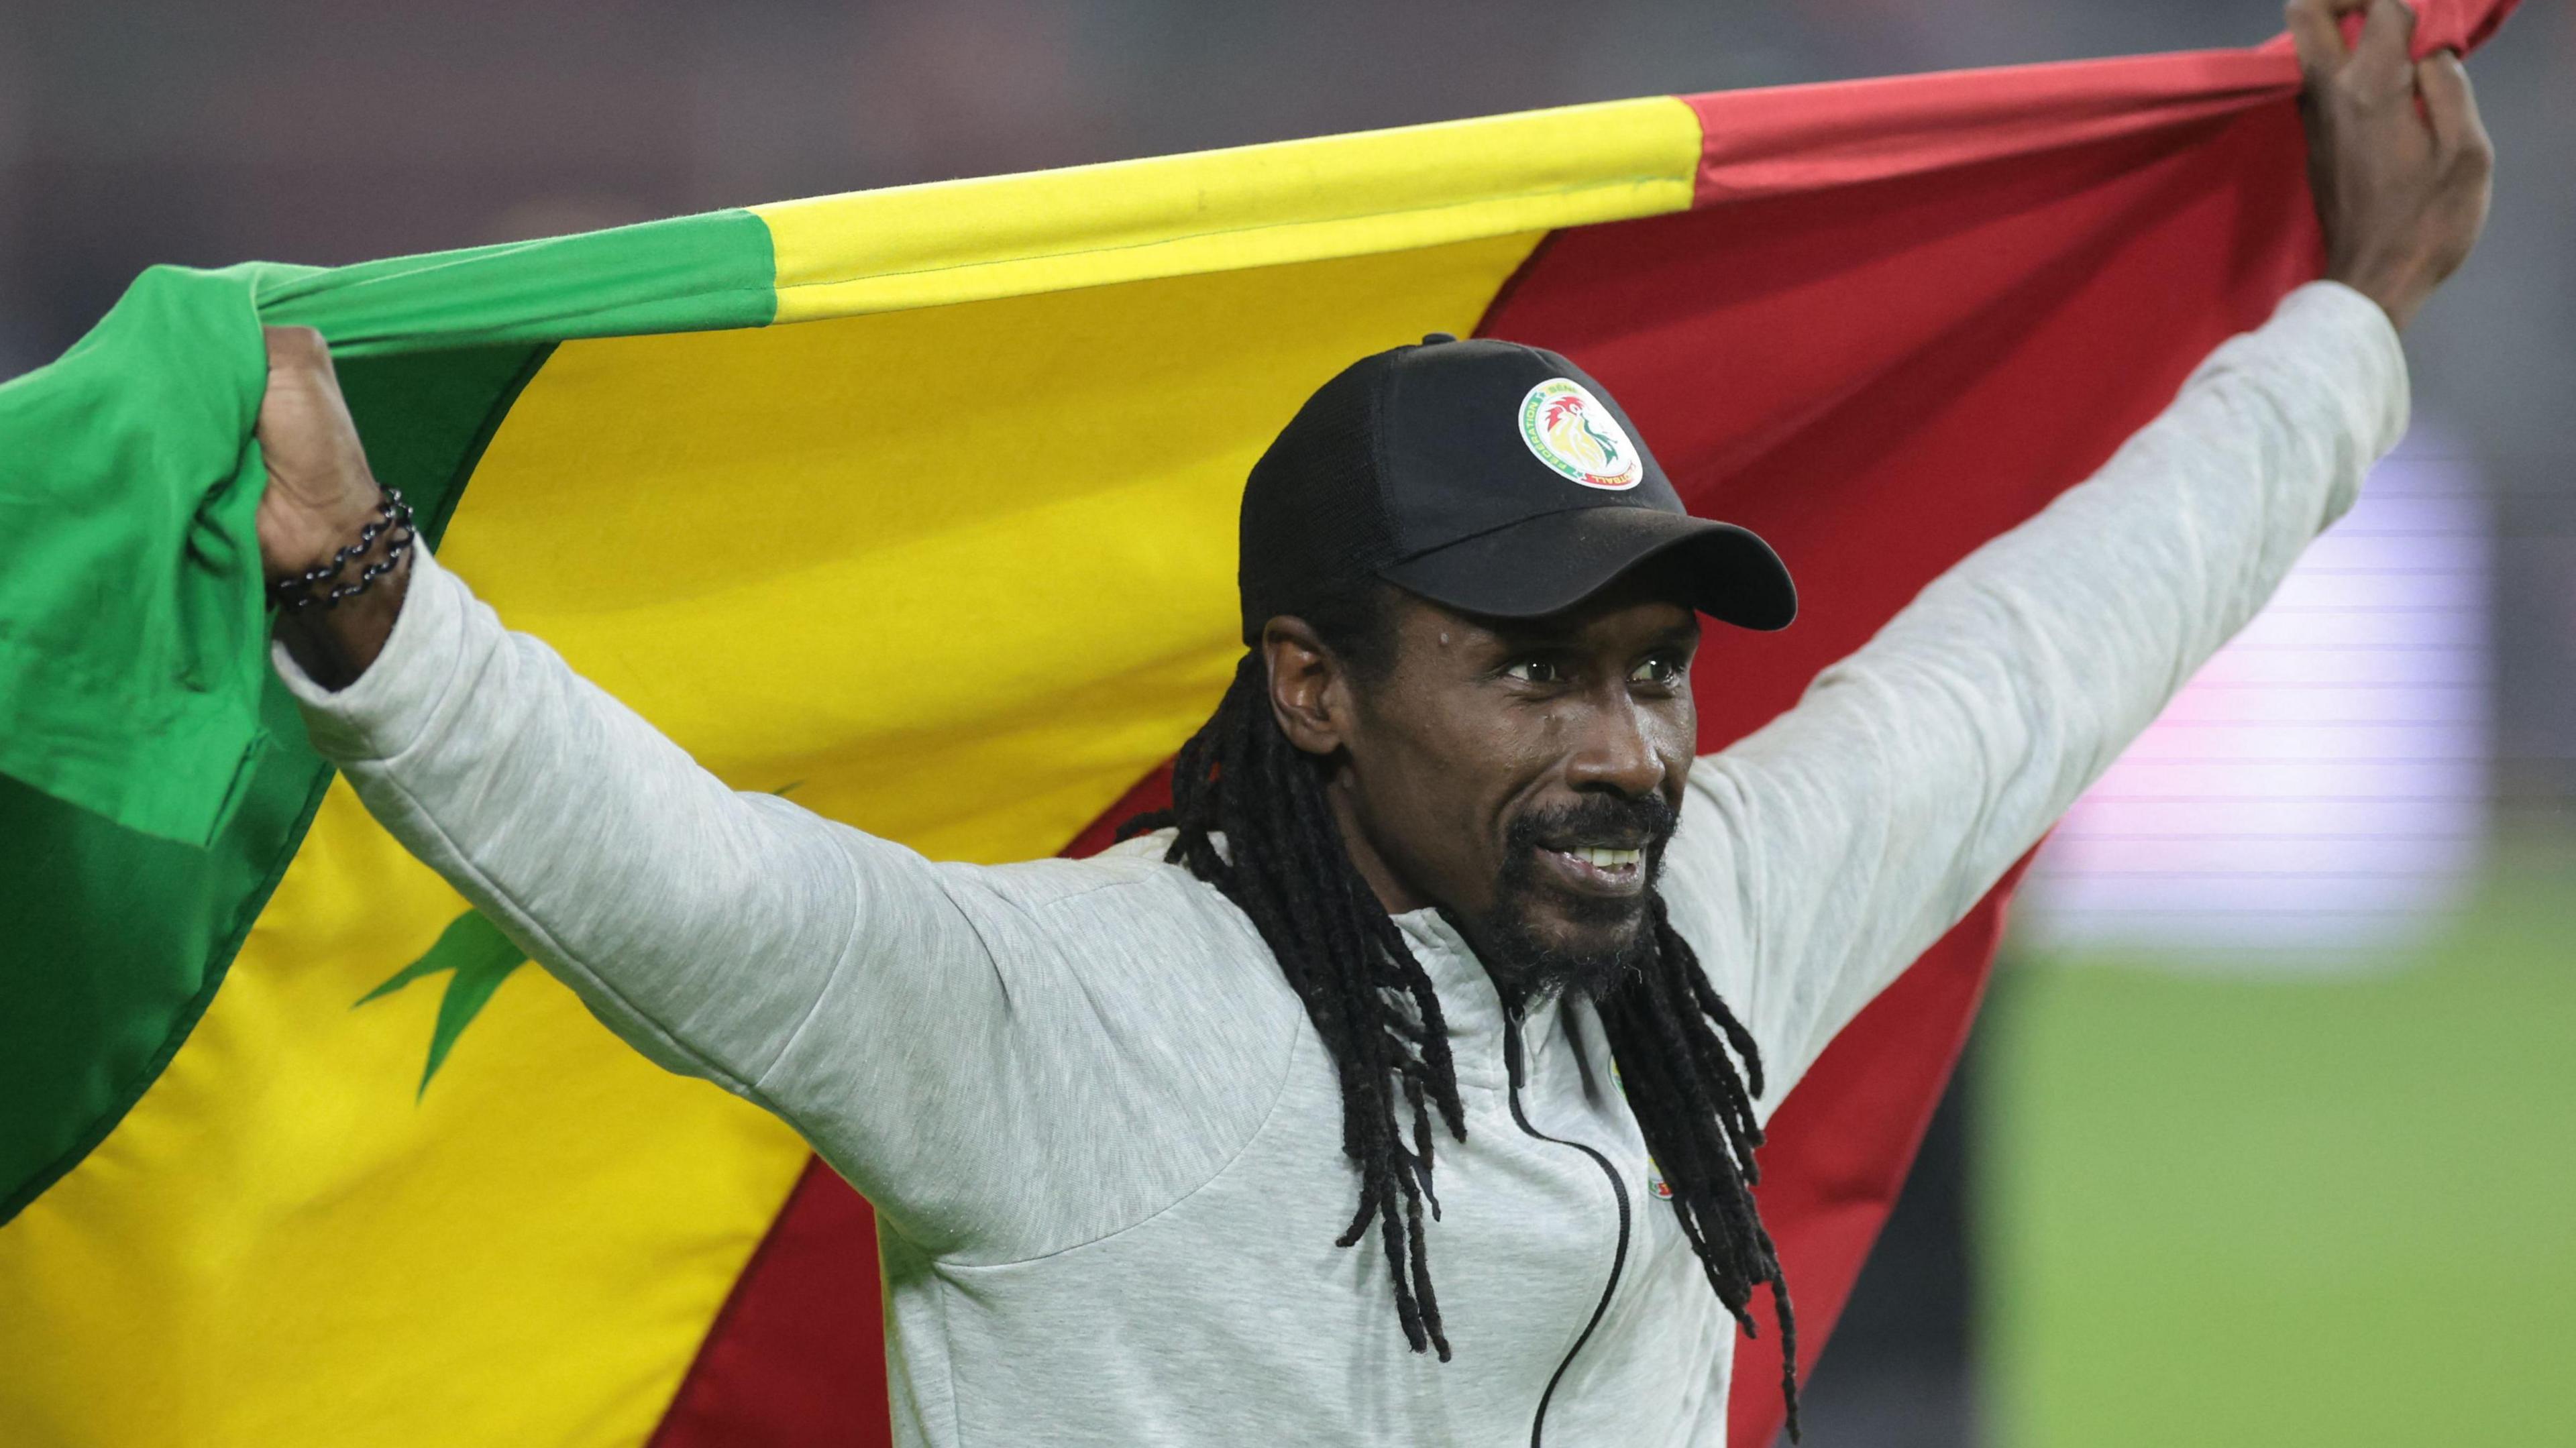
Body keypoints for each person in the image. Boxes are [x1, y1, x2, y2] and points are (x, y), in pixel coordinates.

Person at [247, 2, 2490, 1442]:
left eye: (1651, 665)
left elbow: (2047, 648)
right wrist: (362, 588)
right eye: (1529, 667)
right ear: (1313, 689)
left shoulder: (1715, 914)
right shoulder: (1059, 1017)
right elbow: (675, 870)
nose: (1624, 746)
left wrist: (2352, 322)